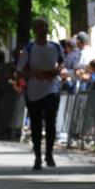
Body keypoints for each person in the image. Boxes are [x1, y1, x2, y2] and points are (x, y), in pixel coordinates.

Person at [15, 17, 65, 170]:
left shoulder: (55, 47)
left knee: (51, 122)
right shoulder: (30, 49)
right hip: (34, 91)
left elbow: (62, 63)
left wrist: (56, 70)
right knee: (36, 125)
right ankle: (37, 156)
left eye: (46, 26)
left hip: (52, 89)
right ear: (35, 30)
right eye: (40, 27)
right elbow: (19, 71)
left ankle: (49, 153)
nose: (44, 30)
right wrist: (34, 74)